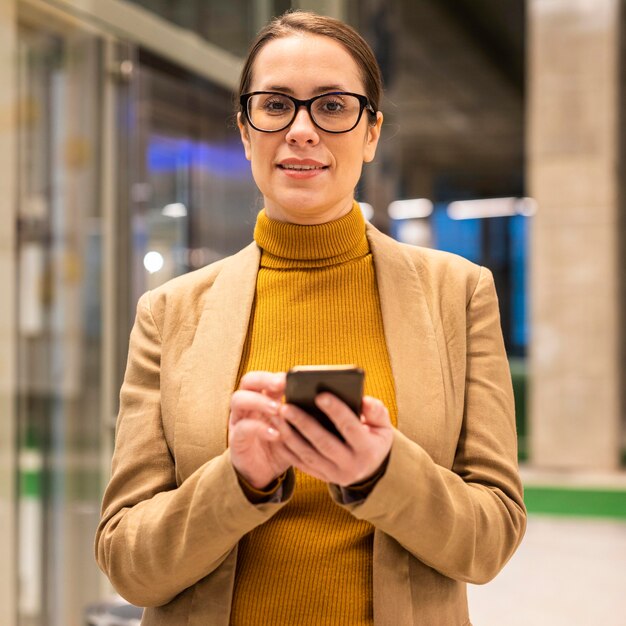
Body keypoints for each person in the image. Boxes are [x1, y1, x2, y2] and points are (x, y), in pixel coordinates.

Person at [95, 10, 526, 626]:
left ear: (371, 132)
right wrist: (239, 481)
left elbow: (490, 542)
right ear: (246, 132)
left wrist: (381, 471)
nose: (301, 130)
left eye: (332, 106)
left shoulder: (456, 293)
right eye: (275, 105)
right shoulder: (170, 313)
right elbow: (126, 562)